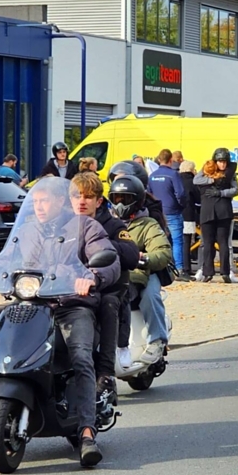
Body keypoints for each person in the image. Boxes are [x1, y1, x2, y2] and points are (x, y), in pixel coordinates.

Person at [0, 177, 119, 467]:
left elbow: (109, 259)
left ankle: (87, 431)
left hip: (71, 306)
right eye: (36, 201)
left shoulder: (85, 227)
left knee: (81, 355)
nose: (39, 207)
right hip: (32, 304)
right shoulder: (27, 231)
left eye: (45, 201)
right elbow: (4, 258)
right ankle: (9, 383)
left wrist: (92, 277)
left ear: (61, 201)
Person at [70, 173, 139, 402]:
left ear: (99, 201)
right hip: (69, 289)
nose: (82, 201)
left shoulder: (112, 224)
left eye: (88, 197)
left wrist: (106, 248)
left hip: (108, 287)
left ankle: (106, 374)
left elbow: (130, 255)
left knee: (109, 304)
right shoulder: (63, 225)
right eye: (77, 196)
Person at [109, 175, 172, 365]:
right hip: (112, 273)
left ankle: (157, 340)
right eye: (116, 199)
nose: (120, 204)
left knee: (151, 296)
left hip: (143, 273)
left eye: (125, 199)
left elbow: (163, 252)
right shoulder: (106, 222)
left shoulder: (148, 224)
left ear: (137, 200)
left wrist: (143, 258)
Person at [194, 149, 238, 283]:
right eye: (220, 161)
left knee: (223, 243)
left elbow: (236, 190)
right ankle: (208, 272)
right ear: (215, 161)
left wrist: (221, 193)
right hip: (208, 212)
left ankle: (225, 272)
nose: (223, 165)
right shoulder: (206, 174)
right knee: (207, 244)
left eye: (224, 162)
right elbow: (196, 180)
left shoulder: (230, 174)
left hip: (222, 212)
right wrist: (213, 180)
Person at [148, 149, 187, 269]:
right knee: (177, 241)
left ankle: (164, 267)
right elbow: (180, 193)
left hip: (159, 213)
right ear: (171, 160)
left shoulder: (152, 176)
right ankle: (179, 268)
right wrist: (181, 205)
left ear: (159, 160)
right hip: (173, 211)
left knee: (161, 241)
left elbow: (149, 194)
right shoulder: (173, 174)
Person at [178, 160, 199, 279]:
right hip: (189, 214)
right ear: (191, 170)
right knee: (186, 242)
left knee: (177, 241)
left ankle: (181, 266)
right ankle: (186, 268)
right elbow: (198, 199)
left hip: (177, 213)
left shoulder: (176, 180)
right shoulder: (192, 182)